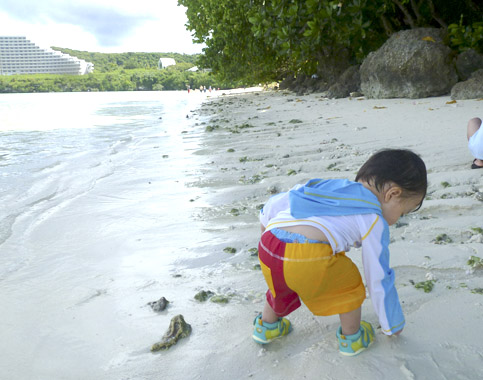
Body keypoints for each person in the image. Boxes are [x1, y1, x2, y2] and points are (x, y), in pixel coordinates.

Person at [253, 149, 427, 356]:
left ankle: (267, 328)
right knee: (349, 286)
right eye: (403, 211)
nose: (398, 218)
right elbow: (378, 276)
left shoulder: (329, 186)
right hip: (309, 253)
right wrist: (391, 324)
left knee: (280, 285)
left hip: (268, 243)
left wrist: (266, 229)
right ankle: (352, 338)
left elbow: (280, 200)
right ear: (393, 194)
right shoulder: (373, 217)